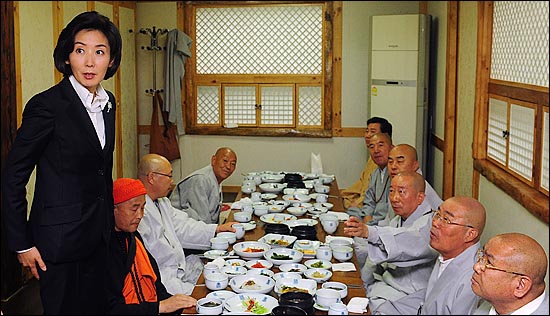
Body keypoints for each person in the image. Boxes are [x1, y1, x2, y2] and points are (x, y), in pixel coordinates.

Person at [1, 11, 121, 314]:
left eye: (100, 52)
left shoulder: (109, 104)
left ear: (111, 60)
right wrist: (22, 243)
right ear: (67, 56)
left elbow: (100, 171)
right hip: (59, 243)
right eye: (80, 50)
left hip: (99, 239)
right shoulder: (47, 106)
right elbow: (13, 176)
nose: (90, 62)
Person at [136, 154, 238, 295]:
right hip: (163, 280)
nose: (172, 182)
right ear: (152, 177)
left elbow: (184, 226)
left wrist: (216, 229)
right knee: (216, 293)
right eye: (169, 176)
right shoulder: (138, 212)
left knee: (226, 274)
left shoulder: (162, 202)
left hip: (180, 268)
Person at [374, 196, 487, 315]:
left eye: (446, 219)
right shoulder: (449, 254)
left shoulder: (473, 279)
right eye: (437, 214)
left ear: (470, 234)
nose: (435, 222)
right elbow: (428, 300)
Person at [344, 172, 438, 311]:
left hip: (409, 296)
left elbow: (408, 242)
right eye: (392, 191)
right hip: (385, 286)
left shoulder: (430, 225)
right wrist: (362, 283)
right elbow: (378, 254)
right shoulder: (398, 219)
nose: (394, 198)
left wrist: (369, 232)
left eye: (401, 192)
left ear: (420, 198)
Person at [107, 178, 197, 314]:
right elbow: (110, 309)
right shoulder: (103, 249)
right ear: (114, 209)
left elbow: (156, 285)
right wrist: (160, 307)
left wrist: (177, 306)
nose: (140, 215)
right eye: (134, 208)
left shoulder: (134, 238)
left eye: (143, 208)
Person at [471, 233, 549, 315]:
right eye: (482, 256)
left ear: (520, 286)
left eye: (489, 262)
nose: (476, 267)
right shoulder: (497, 301)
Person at [170, 147, 237, 224]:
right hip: (181, 228)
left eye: (233, 164)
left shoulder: (216, 178)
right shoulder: (200, 179)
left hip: (200, 228)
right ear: (214, 160)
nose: (228, 166)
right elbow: (202, 219)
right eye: (225, 161)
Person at [340, 117, 393, 208]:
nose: (368, 135)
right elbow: (362, 183)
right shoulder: (374, 156)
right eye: (367, 131)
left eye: (372, 131)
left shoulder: (390, 162)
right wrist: (342, 194)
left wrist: (355, 204)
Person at [347, 132, 394, 226]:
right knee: (351, 212)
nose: (376, 150)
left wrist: (368, 223)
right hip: (370, 218)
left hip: (382, 223)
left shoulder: (395, 173)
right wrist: (367, 216)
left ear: (392, 147)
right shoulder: (375, 172)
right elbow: (369, 200)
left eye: (380, 145)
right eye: (371, 147)